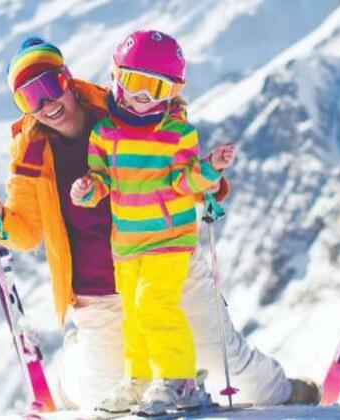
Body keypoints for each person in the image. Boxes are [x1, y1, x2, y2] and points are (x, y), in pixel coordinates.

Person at [0, 35, 320, 413]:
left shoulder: (123, 110)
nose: (46, 105)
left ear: (66, 78)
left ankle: (287, 392)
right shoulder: (31, 153)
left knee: (225, 364)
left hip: (167, 261)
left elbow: (175, 162)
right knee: (104, 396)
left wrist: (207, 182)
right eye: (29, 99)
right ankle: (75, 364)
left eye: (49, 87)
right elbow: (25, 233)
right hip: (100, 290)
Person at [69, 30, 235, 416]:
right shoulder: (104, 134)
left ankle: (180, 380)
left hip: (169, 239)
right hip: (127, 243)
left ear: (172, 92)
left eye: (156, 88)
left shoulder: (178, 134)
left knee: (154, 303)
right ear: (117, 78)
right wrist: (86, 190)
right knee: (133, 312)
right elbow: (102, 180)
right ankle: (138, 380)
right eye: (135, 82)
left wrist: (211, 168)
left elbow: (185, 180)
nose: (143, 96)